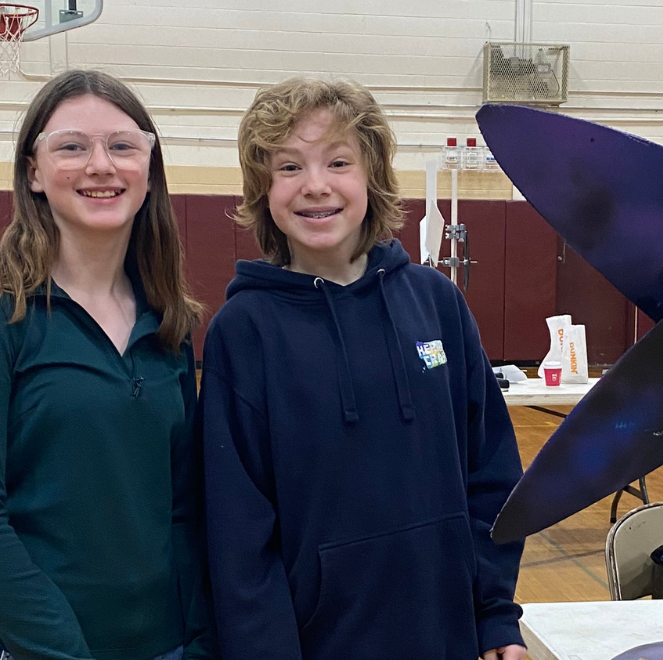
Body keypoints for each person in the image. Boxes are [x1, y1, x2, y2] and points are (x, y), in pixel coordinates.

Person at [201, 77, 526, 660]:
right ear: (263, 190)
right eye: (289, 167)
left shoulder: (436, 301)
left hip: (449, 633)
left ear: (371, 176)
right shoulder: (244, 330)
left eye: (339, 161)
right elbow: (237, 534)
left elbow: (492, 471)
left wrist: (495, 615)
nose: (317, 186)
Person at [0, 69, 215, 660]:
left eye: (122, 146)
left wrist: (201, 635)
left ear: (148, 170)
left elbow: (184, 506)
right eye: (72, 146)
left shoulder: (170, 322)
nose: (101, 166)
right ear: (34, 171)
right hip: (27, 648)